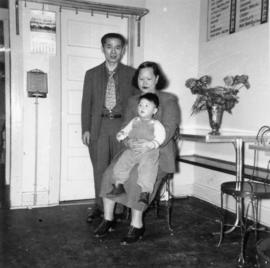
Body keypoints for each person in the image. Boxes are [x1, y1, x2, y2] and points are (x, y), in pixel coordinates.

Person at [96, 61, 181, 244]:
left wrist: (150, 145)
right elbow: (125, 125)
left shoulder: (168, 99)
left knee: (136, 178)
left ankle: (137, 224)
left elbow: (169, 128)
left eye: (148, 78)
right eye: (141, 78)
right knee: (110, 173)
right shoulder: (133, 101)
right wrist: (127, 140)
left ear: (157, 79)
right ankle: (108, 219)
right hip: (132, 150)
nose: (144, 81)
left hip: (158, 153)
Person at [81, 33, 138, 223]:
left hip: (122, 127)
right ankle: (99, 206)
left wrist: (134, 130)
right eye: (109, 47)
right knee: (100, 169)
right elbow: (86, 104)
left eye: (118, 47)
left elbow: (137, 104)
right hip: (99, 127)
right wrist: (86, 129)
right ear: (102, 48)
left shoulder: (131, 74)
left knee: (121, 169)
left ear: (123, 50)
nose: (113, 51)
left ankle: (119, 209)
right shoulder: (91, 74)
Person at [107, 93, 166, 205]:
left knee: (148, 168)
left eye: (146, 106)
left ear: (154, 110)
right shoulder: (134, 121)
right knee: (122, 162)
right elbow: (126, 130)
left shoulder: (156, 124)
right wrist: (121, 135)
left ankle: (145, 192)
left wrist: (152, 144)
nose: (142, 108)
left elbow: (161, 137)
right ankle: (118, 185)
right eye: (140, 105)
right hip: (133, 149)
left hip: (149, 151)